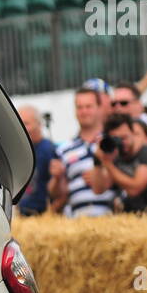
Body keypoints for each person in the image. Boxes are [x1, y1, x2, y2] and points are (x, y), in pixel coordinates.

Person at [48, 87, 115, 217]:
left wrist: (99, 175)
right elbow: (56, 193)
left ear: (100, 108)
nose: (84, 111)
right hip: (78, 220)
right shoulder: (64, 149)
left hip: (112, 219)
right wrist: (57, 178)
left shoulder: (111, 142)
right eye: (79, 107)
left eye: (88, 106)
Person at [86, 114, 147, 214]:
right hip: (131, 219)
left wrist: (108, 164)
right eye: (116, 139)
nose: (122, 143)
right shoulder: (114, 156)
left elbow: (135, 188)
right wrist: (98, 161)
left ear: (133, 133)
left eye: (124, 137)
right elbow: (98, 189)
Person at [17, 105, 56, 216]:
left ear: (39, 125)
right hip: (23, 216)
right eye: (19, 123)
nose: (22, 128)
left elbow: (59, 190)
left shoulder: (48, 149)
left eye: (26, 123)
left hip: (41, 215)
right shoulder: (20, 151)